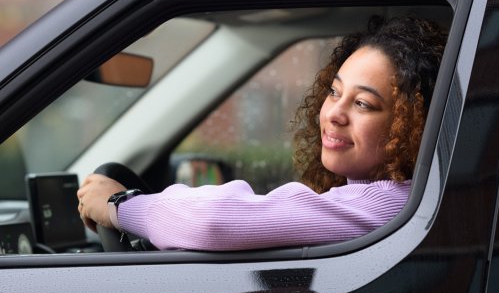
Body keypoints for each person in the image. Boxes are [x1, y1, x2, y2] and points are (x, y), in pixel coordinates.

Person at [77, 16, 447, 251]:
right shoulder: (383, 199)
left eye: (363, 104)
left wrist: (120, 206)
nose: (334, 114)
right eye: (334, 92)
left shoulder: (390, 205)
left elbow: (215, 223)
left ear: (414, 126)